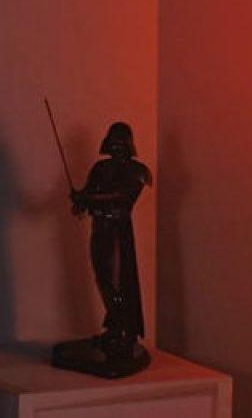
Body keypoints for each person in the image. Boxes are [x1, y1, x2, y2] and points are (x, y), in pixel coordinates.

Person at [70, 122, 151, 360]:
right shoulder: (100, 168)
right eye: (113, 143)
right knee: (103, 279)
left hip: (118, 230)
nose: (116, 148)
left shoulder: (137, 171)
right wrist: (81, 201)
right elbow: (89, 195)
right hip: (100, 228)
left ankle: (125, 331)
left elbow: (122, 198)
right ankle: (115, 327)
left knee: (119, 280)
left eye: (120, 143)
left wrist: (88, 197)